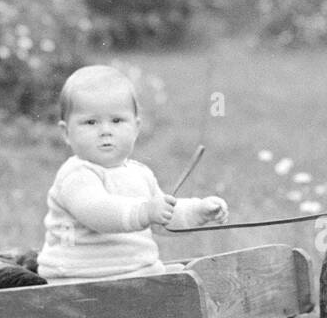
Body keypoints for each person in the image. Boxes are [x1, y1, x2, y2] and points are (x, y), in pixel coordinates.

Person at [37, 65, 227, 282]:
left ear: (136, 127)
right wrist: (145, 212)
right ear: (66, 133)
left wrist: (198, 211)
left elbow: (163, 217)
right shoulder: (76, 175)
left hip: (136, 276)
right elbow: (98, 212)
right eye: (91, 122)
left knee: (196, 281)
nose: (105, 130)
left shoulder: (140, 174)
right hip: (79, 281)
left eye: (117, 120)